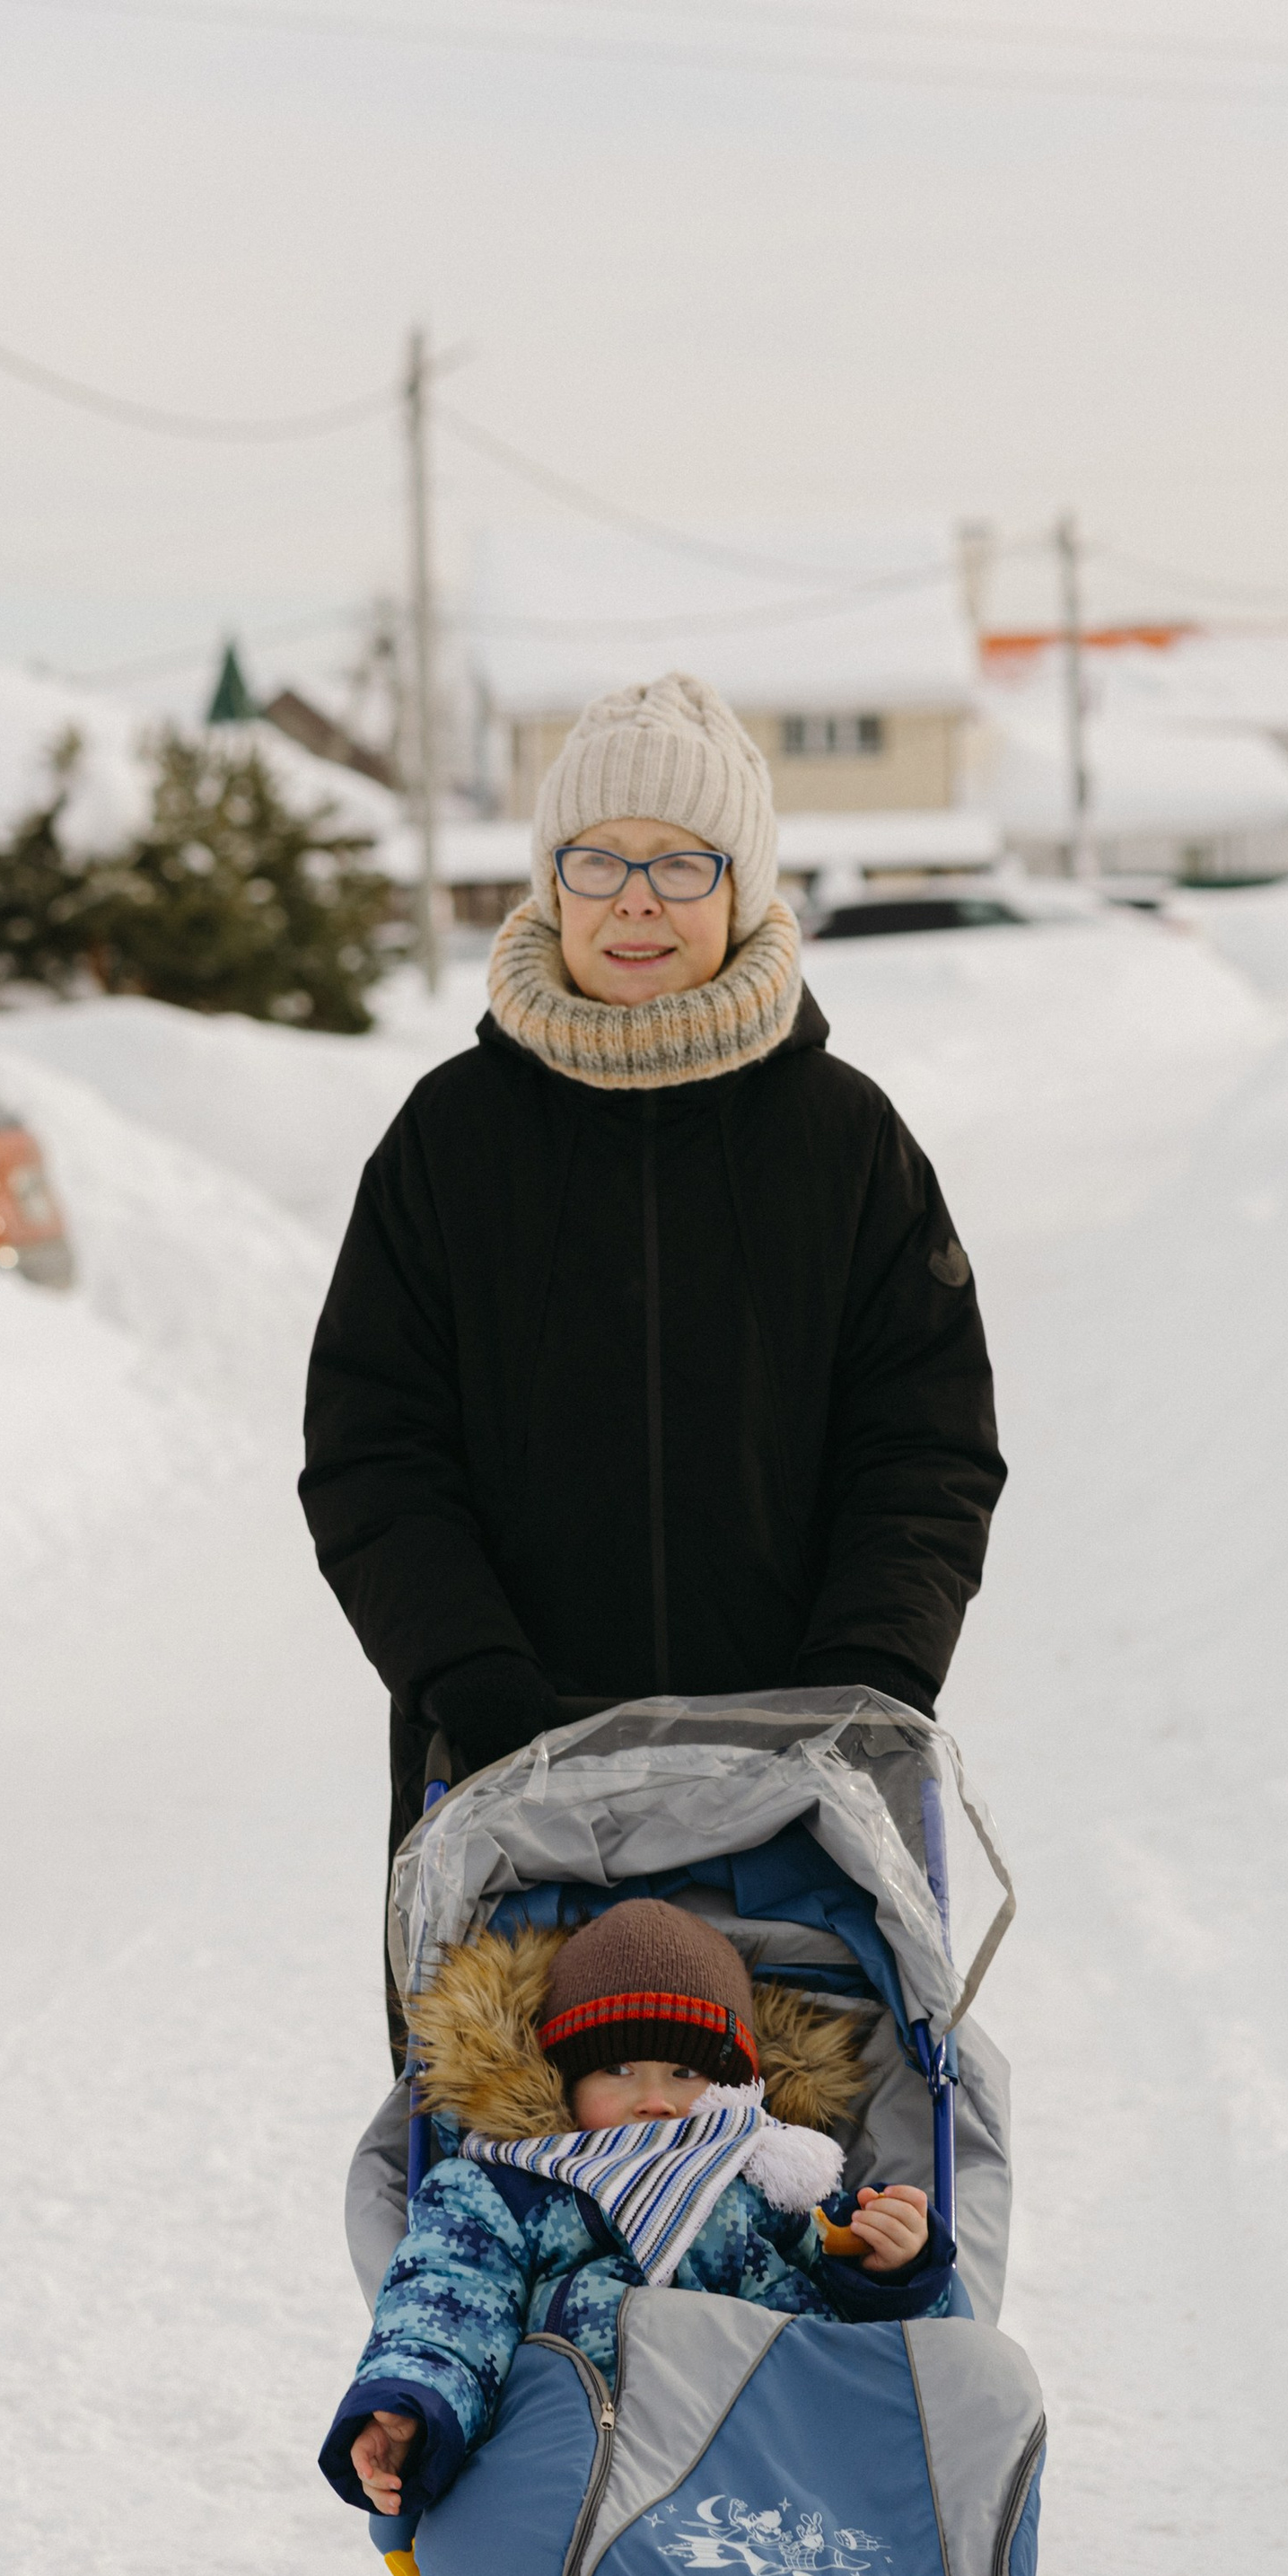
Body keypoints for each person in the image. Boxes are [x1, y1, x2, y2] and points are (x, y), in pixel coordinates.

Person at [298, 672, 1005, 2044]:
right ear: (549, 880)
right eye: (599, 859)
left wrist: (855, 1695)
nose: (636, 897)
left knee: (814, 2219)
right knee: (508, 2227)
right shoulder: (448, 1144)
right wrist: (481, 1695)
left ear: (741, 887)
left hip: (807, 1819)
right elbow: (375, 1456)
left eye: (683, 861)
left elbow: (925, 1452)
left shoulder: (847, 1144)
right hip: (508, 1810)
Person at [317, 1900, 957, 2520]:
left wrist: (893, 2269)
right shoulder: (513, 2186)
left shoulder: (776, 2180)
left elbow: (874, 2351)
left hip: (773, 2468)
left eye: (684, 2071)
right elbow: (450, 2301)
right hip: (582, 2480)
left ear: (738, 2086)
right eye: (618, 2068)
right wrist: (416, 2400)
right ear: (564, 2081)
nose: (655, 2099)